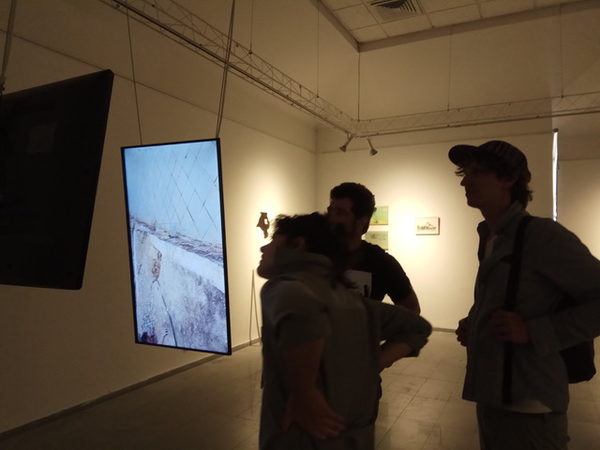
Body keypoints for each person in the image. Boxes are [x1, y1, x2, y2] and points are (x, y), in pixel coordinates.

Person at [449, 140, 600, 450]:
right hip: (493, 397)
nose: (465, 181)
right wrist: (476, 323)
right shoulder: (490, 237)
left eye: (477, 172)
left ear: (508, 178)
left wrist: (535, 331)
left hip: (531, 407)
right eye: (465, 173)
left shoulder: (541, 235)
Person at [257, 212, 432, 449]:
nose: (263, 248)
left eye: (273, 240)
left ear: (297, 244)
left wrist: (304, 392)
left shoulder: (283, 286)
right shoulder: (351, 299)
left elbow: (301, 308)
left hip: (299, 438)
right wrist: (371, 365)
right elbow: (417, 327)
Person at [327, 182, 420, 313]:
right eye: (330, 211)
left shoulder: (380, 262)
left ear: (361, 221)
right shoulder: (316, 252)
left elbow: (412, 311)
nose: (331, 219)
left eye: (340, 213)